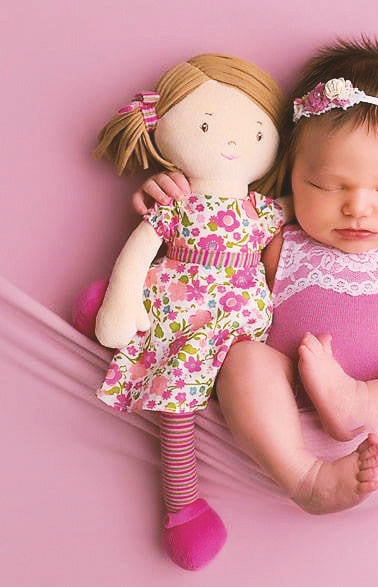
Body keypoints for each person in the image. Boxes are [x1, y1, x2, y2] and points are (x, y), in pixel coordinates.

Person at [132, 38, 378, 515]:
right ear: (292, 175)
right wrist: (178, 204)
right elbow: (204, 263)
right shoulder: (276, 242)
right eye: (327, 185)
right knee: (243, 359)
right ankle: (304, 474)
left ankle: (363, 402)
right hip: (287, 399)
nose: (358, 207)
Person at [93, 53, 289, 569]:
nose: (231, 144)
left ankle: (97, 306)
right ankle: (182, 505)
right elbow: (139, 251)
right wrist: (121, 301)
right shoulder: (175, 201)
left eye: (255, 133)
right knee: (175, 402)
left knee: (245, 386)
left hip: (243, 331)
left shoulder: (265, 210)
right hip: (184, 320)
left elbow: (302, 221)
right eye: (204, 126)